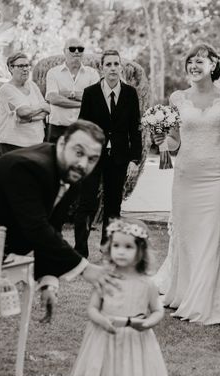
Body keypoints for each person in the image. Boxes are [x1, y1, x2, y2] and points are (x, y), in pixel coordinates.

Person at [0, 120, 110, 316]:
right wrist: (84, 267)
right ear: (63, 143)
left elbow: (52, 226)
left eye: (92, 159)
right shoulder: (29, 167)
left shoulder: (71, 174)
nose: (83, 164)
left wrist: (48, 280)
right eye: (79, 152)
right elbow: (36, 227)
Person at [151, 43, 220, 325]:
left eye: (200, 61)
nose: (194, 65)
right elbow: (176, 142)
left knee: (212, 237)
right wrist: (162, 140)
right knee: (188, 237)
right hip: (186, 175)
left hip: (217, 175)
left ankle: (208, 302)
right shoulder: (177, 97)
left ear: (214, 65)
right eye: (190, 61)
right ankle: (186, 291)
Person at [71, 218, 170, 376]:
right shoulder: (105, 278)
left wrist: (147, 323)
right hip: (103, 337)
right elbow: (92, 309)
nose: (121, 252)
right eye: (116, 246)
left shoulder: (146, 284)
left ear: (140, 251)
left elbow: (158, 310)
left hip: (131, 341)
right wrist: (101, 320)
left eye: (128, 247)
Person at [75, 49, 142, 257]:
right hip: (93, 156)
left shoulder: (130, 94)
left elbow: (135, 129)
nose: (113, 68)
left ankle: (107, 246)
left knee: (113, 204)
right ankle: (80, 249)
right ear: (101, 68)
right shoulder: (90, 93)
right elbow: (83, 127)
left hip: (119, 157)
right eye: (108, 64)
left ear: (120, 67)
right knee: (87, 202)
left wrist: (134, 159)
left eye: (116, 64)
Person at [45, 37, 100, 144]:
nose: (76, 52)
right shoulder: (53, 73)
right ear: (64, 51)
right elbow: (53, 98)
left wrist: (69, 94)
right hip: (57, 129)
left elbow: (96, 99)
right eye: (72, 49)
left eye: (80, 49)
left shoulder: (92, 74)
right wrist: (82, 104)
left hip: (83, 129)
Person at [0, 52, 49, 154]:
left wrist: (28, 119)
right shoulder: (6, 89)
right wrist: (41, 107)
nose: (25, 69)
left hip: (36, 142)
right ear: (11, 68)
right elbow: (23, 112)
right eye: (21, 66)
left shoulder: (33, 86)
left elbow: (47, 110)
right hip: (14, 145)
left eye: (27, 65)